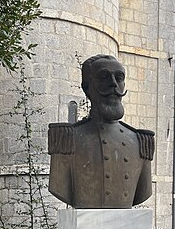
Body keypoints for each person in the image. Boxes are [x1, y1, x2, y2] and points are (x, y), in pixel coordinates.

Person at [48, 54, 154, 208]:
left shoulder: (140, 141)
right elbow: (59, 187)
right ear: (87, 87)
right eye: (104, 77)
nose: (113, 84)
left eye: (119, 78)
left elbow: (142, 193)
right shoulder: (67, 139)